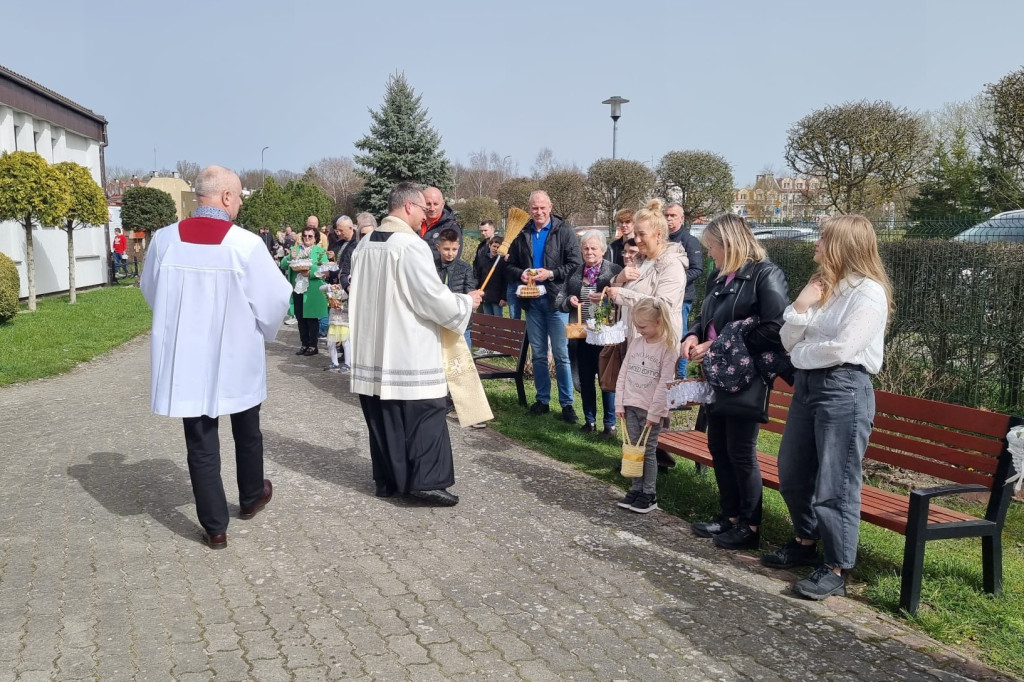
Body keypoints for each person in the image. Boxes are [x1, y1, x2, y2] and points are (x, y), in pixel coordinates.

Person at [140, 165, 291, 549]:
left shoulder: (164, 240)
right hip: (236, 353)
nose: (239, 203)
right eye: (238, 196)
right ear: (225, 197)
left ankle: (214, 526)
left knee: (200, 439)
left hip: (188, 356)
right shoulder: (245, 244)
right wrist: (265, 330)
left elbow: (152, 290)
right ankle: (252, 495)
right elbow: (274, 299)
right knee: (247, 427)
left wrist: (178, 321)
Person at [761, 215, 892, 600]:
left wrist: (800, 353)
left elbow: (841, 349)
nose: (815, 244)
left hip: (844, 389)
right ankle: (805, 540)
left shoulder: (868, 293)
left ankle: (836, 566)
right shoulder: (825, 287)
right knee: (792, 470)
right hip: (809, 387)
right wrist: (801, 306)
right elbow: (787, 338)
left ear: (843, 246)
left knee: (835, 482)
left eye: (822, 238)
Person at [349, 182, 484, 505]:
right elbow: (431, 298)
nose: (426, 216)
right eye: (424, 209)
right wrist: (466, 301)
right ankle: (426, 481)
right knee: (424, 413)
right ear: (409, 206)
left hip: (373, 346)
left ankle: (388, 481)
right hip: (406, 349)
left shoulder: (366, 243)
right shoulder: (410, 246)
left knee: (385, 417)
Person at [680, 213, 789, 552]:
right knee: (718, 446)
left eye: (711, 247)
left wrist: (720, 344)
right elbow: (705, 315)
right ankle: (728, 516)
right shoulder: (719, 276)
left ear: (729, 244)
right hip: (718, 373)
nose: (709, 254)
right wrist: (693, 334)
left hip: (746, 377)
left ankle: (750, 525)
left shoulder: (765, 274)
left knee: (741, 451)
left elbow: (775, 327)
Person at [505, 190, 583, 423]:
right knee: (538, 354)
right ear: (529, 209)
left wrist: (551, 273)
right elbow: (509, 268)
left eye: (542, 207)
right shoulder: (522, 233)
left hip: (556, 301)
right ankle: (542, 400)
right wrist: (522, 274)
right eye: (534, 208)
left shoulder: (564, 231)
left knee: (561, 355)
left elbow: (575, 264)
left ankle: (567, 404)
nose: (538, 212)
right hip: (532, 301)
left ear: (550, 207)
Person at [615, 298, 680, 513]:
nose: (639, 330)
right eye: (637, 326)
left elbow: (664, 383)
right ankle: (636, 489)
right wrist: (619, 402)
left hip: (651, 410)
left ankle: (649, 494)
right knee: (633, 449)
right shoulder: (636, 343)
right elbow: (624, 372)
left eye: (643, 326)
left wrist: (655, 412)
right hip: (630, 404)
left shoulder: (668, 348)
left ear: (659, 321)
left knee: (648, 451)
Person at [557, 230, 621, 436]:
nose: (589, 252)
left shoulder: (614, 271)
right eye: (585, 248)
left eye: (594, 248)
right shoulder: (575, 273)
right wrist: (569, 301)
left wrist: (604, 299)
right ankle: (589, 421)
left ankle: (610, 425)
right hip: (581, 335)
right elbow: (558, 300)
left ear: (602, 250)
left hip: (605, 337)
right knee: (585, 379)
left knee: (606, 379)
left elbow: (622, 301)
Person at [665, 202, 704, 378]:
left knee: (680, 336)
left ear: (682, 218)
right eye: (666, 215)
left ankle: (680, 377)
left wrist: (675, 281)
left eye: (673, 216)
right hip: (663, 297)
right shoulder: (661, 240)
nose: (668, 219)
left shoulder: (690, 241)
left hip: (682, 298)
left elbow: (697, 269)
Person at [280, 225, 330, 355]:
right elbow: (283, 264)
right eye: (305, 236)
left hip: (312, 289)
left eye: (310, 236)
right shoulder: (295, 249)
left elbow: (324, 270)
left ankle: (313, 346)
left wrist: (311, 273)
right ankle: (304, 344)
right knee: (300, 317)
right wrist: (290, 257)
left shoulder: (320, 251)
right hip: (297, 288)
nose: (307, 238)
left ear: (315, 238)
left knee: (311, 318)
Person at [437, 228, 478, 348]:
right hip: (439, 322)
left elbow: (469, 292)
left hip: (461, 323)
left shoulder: (465, 267)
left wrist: (473, 297)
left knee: (463, 362)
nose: (450, 253)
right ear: (438, 247)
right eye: (446, 249)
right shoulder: (431, 266)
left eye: (454, 249)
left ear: (459, 247)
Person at [421, 186, 462, 262]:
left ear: (442, 204)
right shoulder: (415, 224)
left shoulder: (451, 227)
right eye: (428, 204)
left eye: (435, 204)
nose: (432, 208)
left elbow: (452, 258)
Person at [475, 236, 507, 316]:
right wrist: (477, 289)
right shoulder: (483, 259)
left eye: (498, 247)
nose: (495, 249)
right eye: (494, 246)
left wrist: (503, 298)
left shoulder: (502, 262)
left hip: (497, 298)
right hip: (485, 296)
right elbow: (479, 276)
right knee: (487, 319)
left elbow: (505, 280)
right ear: (489, 245)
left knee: (497, 321)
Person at [327, 214, 358, 290]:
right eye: (338, 230)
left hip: (347, 282)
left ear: (350, 228)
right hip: (336, 281)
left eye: (341, 230)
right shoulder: (338, 243)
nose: (339, 233)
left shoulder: (357, 243)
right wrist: (333, 257)